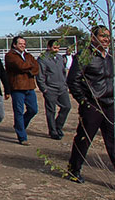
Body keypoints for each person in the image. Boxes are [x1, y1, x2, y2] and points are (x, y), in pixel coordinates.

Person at [67, 25, 115, 183]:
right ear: (93, 38)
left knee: (112, 140)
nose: (106, 39)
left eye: (108, 36)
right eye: (102, 36)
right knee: (84, 138)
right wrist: (84, 102)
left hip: (109, 105)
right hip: (93, 106)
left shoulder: (109, 58)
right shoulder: (85, 56)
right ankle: (74, 169)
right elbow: (73, 81)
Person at [5, 36, 39, 145]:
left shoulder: (28, 55)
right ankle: (22, 136)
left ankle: (20, 126)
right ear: (14, 44)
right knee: (18, 111)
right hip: (17, 87)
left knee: (33, 109)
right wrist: (30, 67)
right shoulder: (10, 56)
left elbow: (37, 67)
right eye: (20, 44)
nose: (23, 45)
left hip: (30, 86)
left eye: (24, 44)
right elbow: (20, 66)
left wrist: (30, 69)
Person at [36, 39, 71, 140]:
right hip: (50, 88)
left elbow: (63, 72)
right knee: (51, 111)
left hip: (62, 88)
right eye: (54, 47)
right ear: (49, 47)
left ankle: (58, 126)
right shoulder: (43, 59)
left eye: (58, 48)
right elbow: (40, 75)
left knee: (67, 107)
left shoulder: (60, 58)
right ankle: (53, 131)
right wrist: (44, 89)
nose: (56, 50)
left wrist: (65, 84)